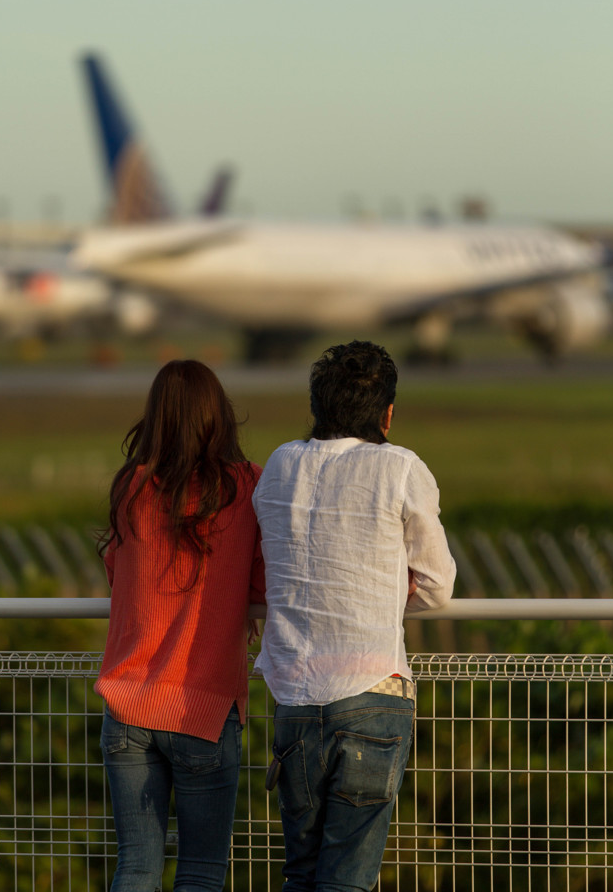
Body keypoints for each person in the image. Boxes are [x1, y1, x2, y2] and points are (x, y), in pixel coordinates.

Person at [252, 340, 456, 892]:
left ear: (317, 407)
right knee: (349, 878)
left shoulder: (277, 465)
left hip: (293, 693)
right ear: (387, 414)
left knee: (303, 874)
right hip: (373, 691)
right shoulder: (400, 467)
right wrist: (385, 595)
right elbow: (438, 588)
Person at [94, 359, 265, 892]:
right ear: (220, 417)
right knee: (201, 872)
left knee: (137, 867)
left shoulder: (133, 485)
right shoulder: (246, 485)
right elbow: (261, 581)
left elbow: (117, 567)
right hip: (204, 708)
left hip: (127, 704)